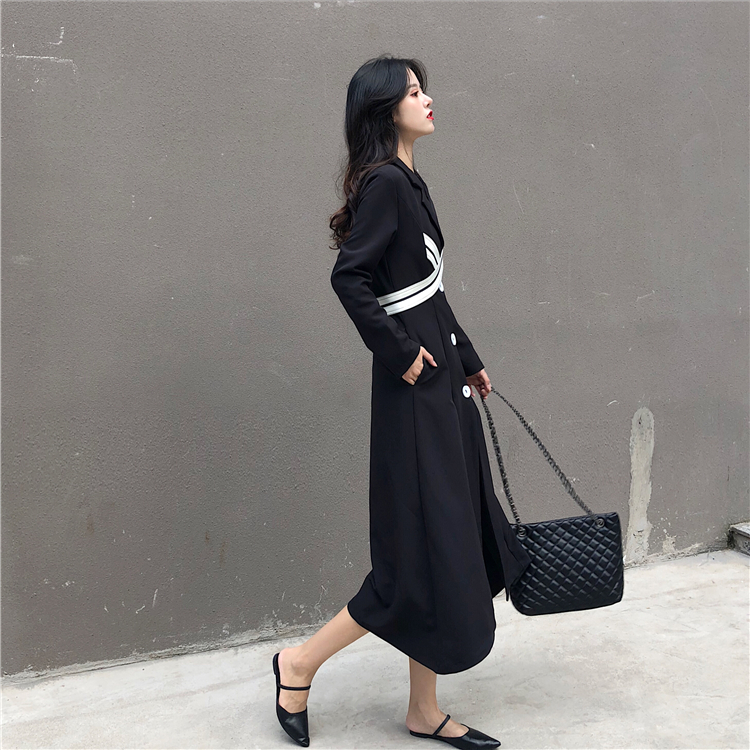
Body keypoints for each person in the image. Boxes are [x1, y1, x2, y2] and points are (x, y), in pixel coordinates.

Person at [272, 54, 532, 749]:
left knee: (440, 548)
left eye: (423, 89)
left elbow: (428, 293)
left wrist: (467, 358)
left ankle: (423, 709)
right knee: (410, 562)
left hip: (443, 387)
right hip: (414, 397)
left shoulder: (408, 179)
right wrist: (400, 354)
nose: (427, 99)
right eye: (414, 92)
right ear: (386, 108)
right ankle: (298, 664)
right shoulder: (388, 183)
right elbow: (349, 277)